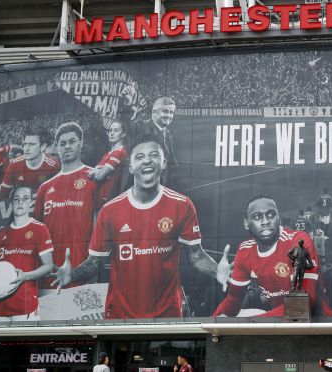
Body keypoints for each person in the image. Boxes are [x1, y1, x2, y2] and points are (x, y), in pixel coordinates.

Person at [51, 140, 231, 319]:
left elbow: (196, 255)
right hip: (121, 317)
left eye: (154, 155)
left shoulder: (182, 205)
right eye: (140, 157)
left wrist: (216, 270)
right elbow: (96, 262)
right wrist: (73, 274)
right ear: (131, 167)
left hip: (167, 315)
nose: (147, 161)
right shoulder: (110, 211)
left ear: (164, 164)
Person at [214, 194, 327, 317]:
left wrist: (253, 323)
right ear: (247, 224)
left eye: (271, 215)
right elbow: (234, 300)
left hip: (318, 325)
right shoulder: (245, 250)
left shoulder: (298, 242)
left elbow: (302, 305)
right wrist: (212, 321)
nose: (265, 221)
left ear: (279, 218)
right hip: (281, 323)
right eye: (257, 217)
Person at [34, 122, 98, 289]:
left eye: (72, 141)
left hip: (83, 274)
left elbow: (101, 234)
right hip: (49, 276)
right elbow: (37, 237)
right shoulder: (45, 188)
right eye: (63, 143)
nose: (67, 146)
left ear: (81, 143)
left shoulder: (94, 178)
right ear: (57, 147)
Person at [0, 185, 54, 322]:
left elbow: (48, 266)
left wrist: (26, 276)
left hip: (25, 305)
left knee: (25, 343)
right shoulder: (1, 234)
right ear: (11, 203)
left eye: (25, 199)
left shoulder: (39, 229)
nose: (20, 202)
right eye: (16, 199)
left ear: (31, 203)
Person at [0, 129, 60, 202]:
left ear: (43, 147)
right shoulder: (14, 164)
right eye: (25, 144)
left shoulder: (53, 165)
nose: (26, 149)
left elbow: (58, 195)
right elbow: (3, 195)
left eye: (31, 144)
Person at [89, 119, 128, 206]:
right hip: (98, 199)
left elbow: (99, 176)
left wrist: (98, 171)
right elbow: (90, 175)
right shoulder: (107, 154)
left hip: (108, 200)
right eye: (110, 130)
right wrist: (98, 171)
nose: (112, 133)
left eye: (116, 130)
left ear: (123, 134)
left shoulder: (119, 152)